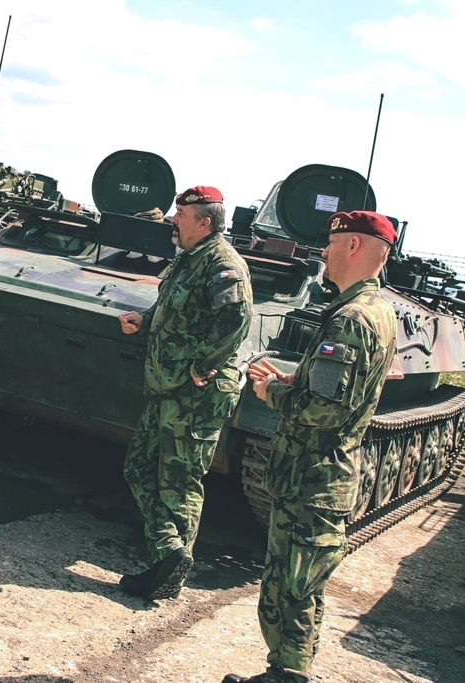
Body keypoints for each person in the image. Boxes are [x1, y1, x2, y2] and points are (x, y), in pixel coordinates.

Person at [224, 211, 398, 683]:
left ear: (355, 248)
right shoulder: (375, 311)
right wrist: (292, 377)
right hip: (319, 475)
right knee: (302, 584)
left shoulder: (350, 318)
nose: (324, 250)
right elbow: (336, 388)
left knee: (292, 586)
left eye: (333, 241)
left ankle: (288, 674)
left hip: (312, 475)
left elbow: (322, 410)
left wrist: (272, 393)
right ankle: (288, 670)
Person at [116, 186, 253, 600]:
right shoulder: (189, 260)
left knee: (180, 481)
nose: (174, 219)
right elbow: (174, 309)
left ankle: (169, 568)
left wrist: (201, 366)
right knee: (140, 468)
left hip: (196, 392)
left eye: (181, 213)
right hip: (167, 386)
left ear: (204, 222)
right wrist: (144, 320)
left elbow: (236, 320)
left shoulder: (224, 264)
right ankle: (170, 553)